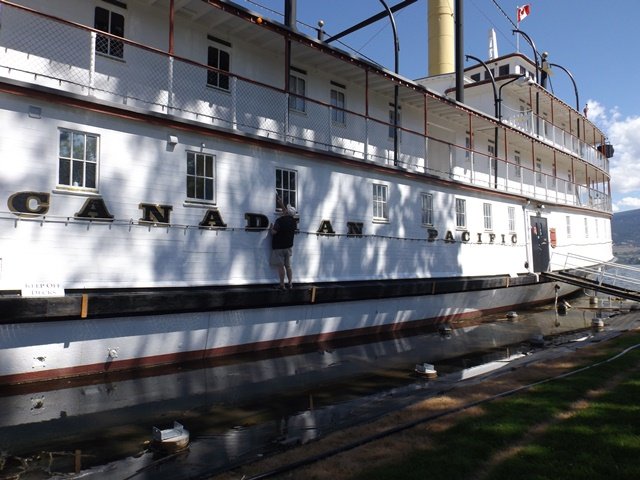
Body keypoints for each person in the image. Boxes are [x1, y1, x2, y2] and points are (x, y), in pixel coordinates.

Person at [270, 194, 297, 290]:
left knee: (281, 266)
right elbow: (287, 212)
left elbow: (273, 232)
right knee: (288, 266)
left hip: (279, 247)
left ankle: (282, 284)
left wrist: (270, 228)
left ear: (286, 213)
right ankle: (290, 283)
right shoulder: (294, 221)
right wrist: (281, 203)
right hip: (288, 247)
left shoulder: (279, 221)